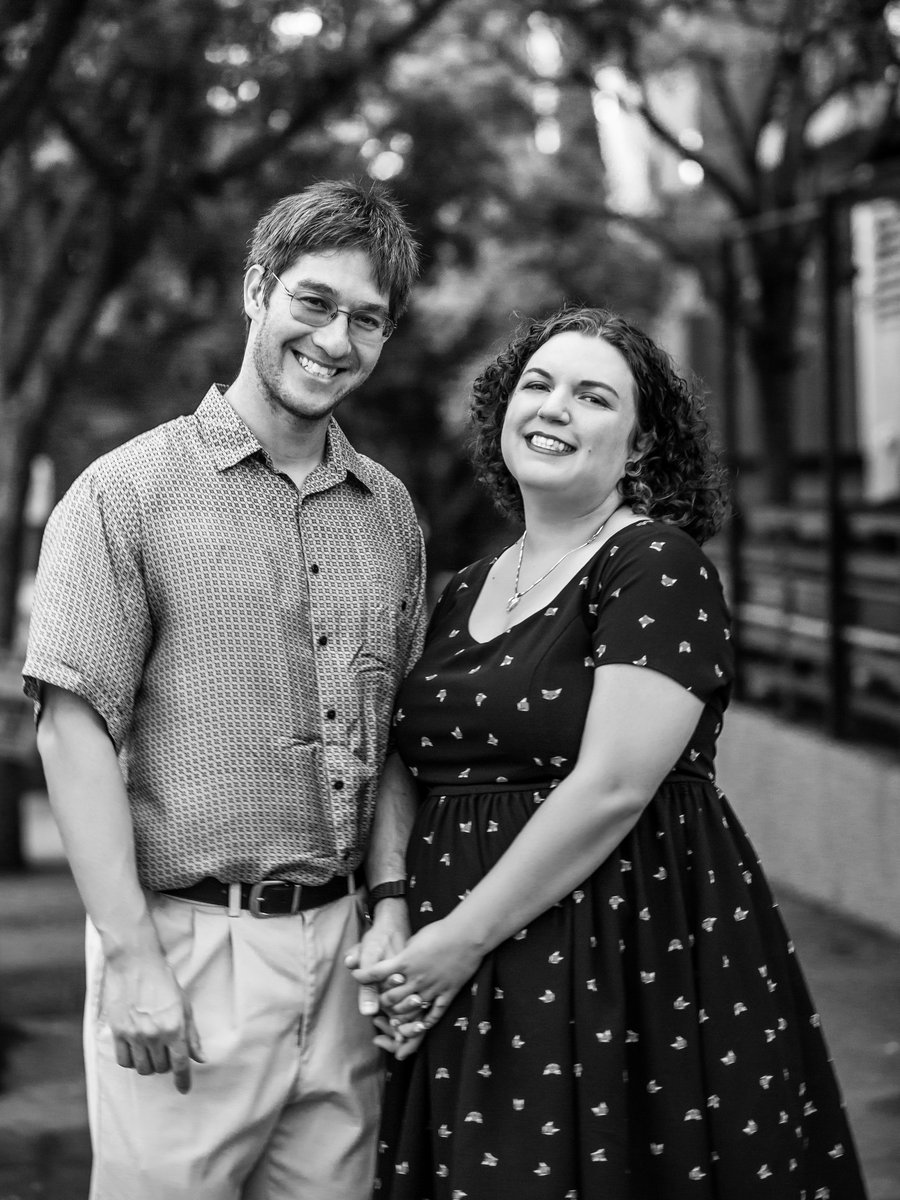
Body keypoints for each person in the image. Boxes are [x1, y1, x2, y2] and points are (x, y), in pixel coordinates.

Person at [350, 306, 868, 1198]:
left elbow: (614, 785)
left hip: (617, 950)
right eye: (538, 385)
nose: (555, 407)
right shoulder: (467, 585)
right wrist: (394, 907)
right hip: (454, 954)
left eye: (594, 397)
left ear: (639, 446)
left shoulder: (654, 563)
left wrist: (457, 940)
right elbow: (408, 755)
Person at [23, 179, 427, 1200]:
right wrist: (133, 958)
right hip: (189, 948)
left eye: (367, 319)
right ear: (257, 289)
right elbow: (71, 732)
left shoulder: (390, 513)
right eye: (314, 302)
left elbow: (398, 738)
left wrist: (389, 902)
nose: (335, 341)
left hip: (345, 955)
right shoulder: (124, 493)